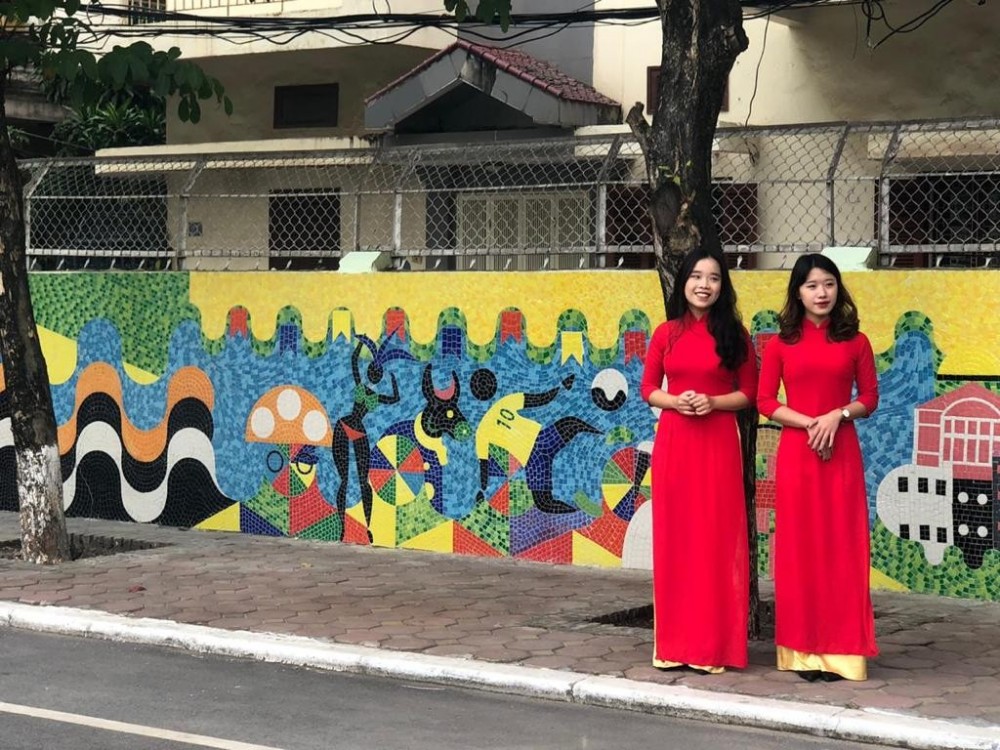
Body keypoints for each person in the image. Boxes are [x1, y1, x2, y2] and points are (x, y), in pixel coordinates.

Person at [757, 253, 879, 682]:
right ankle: (801, 652)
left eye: (828, 284)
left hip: (840, 454)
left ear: (838, 289)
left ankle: (843, 653)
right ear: (798, 292)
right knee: (799, 551)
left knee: (842, 548)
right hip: (797, 454)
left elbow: (869, 398)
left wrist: (837, 416)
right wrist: (810, 421)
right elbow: (766, 401)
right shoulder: (779, 344)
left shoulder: (856, 341)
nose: (821, 293)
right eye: (812, 285)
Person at [640, 247, 757, 673]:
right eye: (696, 276)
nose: (704, 284)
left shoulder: (735, 336)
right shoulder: (665, 334)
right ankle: (673, 646)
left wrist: (712, 401)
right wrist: (676, 400)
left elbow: (748, 394)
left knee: (714, 540)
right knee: (676, 541)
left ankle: (712, 648)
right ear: (683, 282)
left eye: (713, 278)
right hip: (675, 442)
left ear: (722, 287)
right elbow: (649, 388)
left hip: (718, 443)